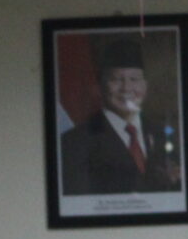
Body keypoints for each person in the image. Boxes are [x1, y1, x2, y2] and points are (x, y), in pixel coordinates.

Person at [59, 39, 181, 195]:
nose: (126, 88)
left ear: (145, 85)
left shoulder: (162, 134)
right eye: (116, 79)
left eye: (134, 79)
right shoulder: (75, 141)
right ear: (99, 86)